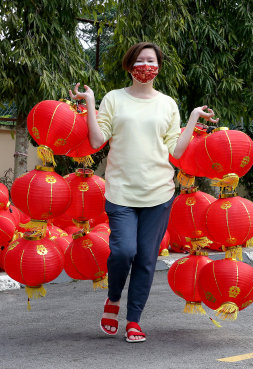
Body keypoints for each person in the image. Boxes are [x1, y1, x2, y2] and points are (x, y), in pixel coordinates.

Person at [69, 42, 217, 343]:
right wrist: (92, 102)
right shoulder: (114, 99)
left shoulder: (167, 104)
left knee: (147, 259)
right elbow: (98, 139)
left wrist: (191, 117)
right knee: (124, 251)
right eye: (140, 61)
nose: (145, 66)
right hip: (121, 191)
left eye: (151, 61)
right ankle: (113, 298)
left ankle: (134, 320)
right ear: (129, 65)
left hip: (159, 193)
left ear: (158, 67)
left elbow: (176, 149)